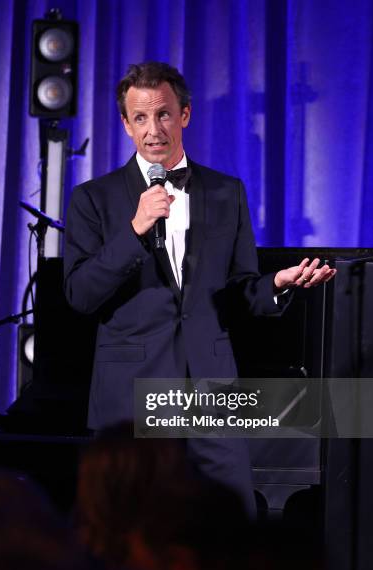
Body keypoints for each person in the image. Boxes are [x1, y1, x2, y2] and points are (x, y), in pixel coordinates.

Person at [64, 62, 335, 516]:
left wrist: (276, 286)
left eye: (165, 114)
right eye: (141, 118)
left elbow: (240, 289)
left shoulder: (228, 192)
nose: (155, 129)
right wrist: (135, 229)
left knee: (234, 525)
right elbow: (80, 294)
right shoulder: (94, 199)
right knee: (133, 536)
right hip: (133, 394)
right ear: (126, 125)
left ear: (185, 115)